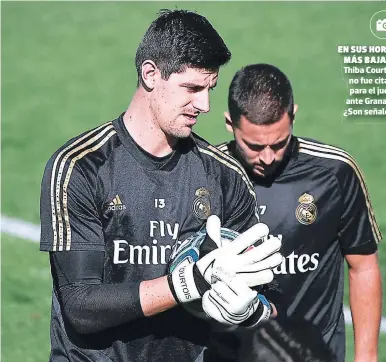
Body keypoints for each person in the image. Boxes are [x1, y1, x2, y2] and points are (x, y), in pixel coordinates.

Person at [39, 11, 282, 362]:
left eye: (209, 88)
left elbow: (271, 298)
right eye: (192, 88)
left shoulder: (224, 175)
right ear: (150, 74)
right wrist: (188, 283)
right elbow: (80, 305)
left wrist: (249, 312)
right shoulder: (81, 167)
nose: (205, 105)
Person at [217, 63, 382, 362]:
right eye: (254, 146)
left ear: (293, 115)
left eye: (278, 143)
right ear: (230, 124)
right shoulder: (208, 173)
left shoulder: (334, 173)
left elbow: (364, 266)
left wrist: (367, 356)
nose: (267, 157)